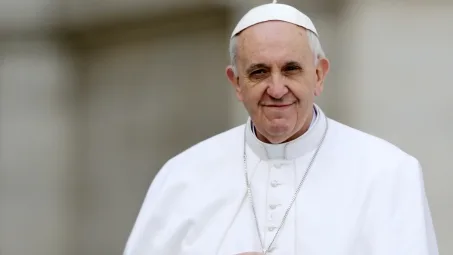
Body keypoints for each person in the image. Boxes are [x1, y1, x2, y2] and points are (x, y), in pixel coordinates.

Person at [123, 1, 439, 255]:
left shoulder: (389, 173)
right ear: (236, 82)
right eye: (259, 72)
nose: (276, 88)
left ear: (319, 75)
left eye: (291, 69)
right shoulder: (181, 177)